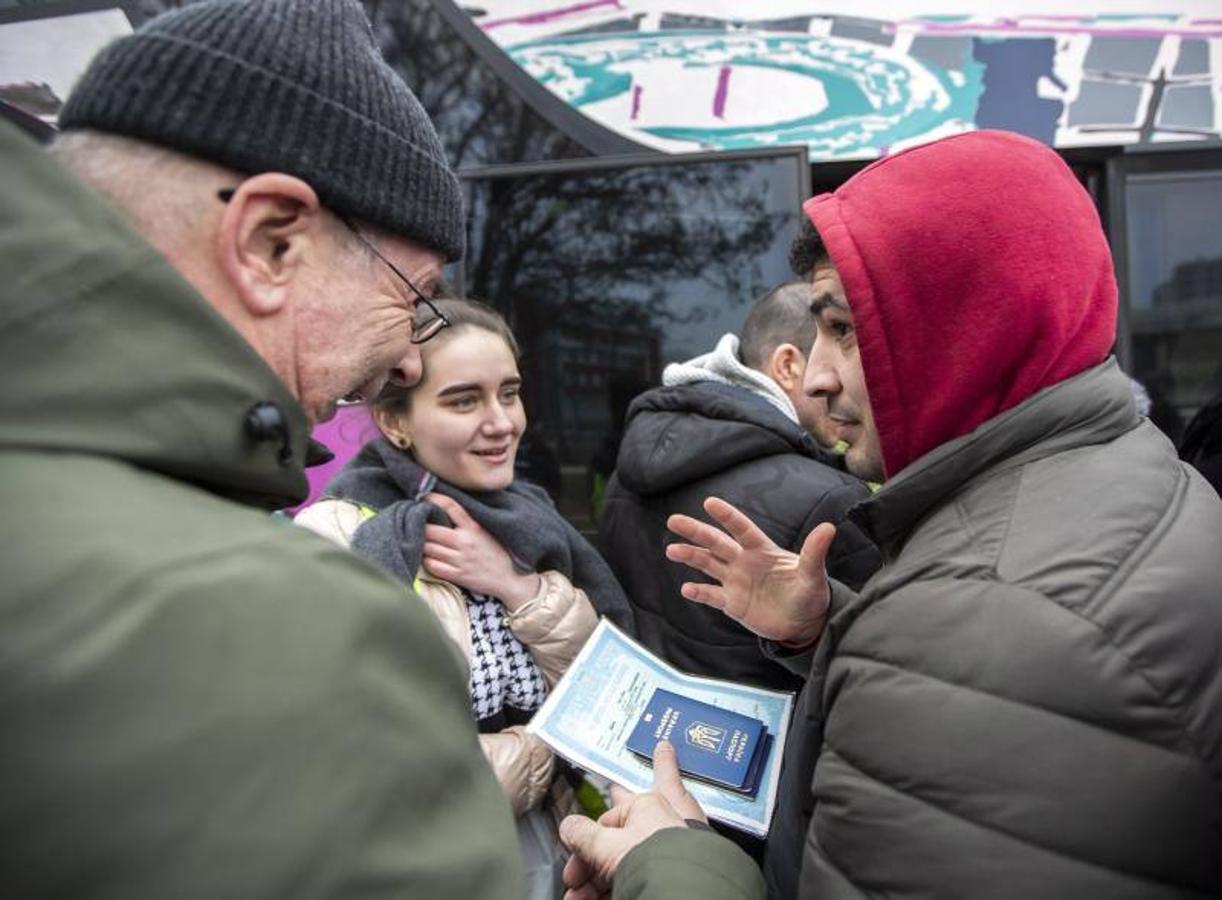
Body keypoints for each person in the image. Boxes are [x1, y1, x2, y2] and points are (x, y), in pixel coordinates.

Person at [559, 130, 1222, 899]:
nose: (815, 378)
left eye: (843, 329)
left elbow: (984, 654)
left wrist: (671, 859)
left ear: (970, 324)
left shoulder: (974, 620)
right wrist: (829, 629)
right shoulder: (1140, 468)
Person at [0, 1, 526, 896]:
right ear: (270, 240)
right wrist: (680, 871)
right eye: (415, 292)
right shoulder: (303, 631)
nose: (409, 354)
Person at [295, 299, 632, 897]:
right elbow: (362, 761)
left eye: (509, 392)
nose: (502, 422)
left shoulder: (532, 523)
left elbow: (608, 686)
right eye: (463, 400)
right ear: (396, 423)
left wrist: (517, 587)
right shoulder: (338, 536)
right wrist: (547, 747)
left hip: (555, 853)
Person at [600, 282, 880, 694]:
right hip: (767, 749)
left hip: (640, 725)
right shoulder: (832, 499)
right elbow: (873, 673)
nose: (835, 384)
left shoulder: (629, 461)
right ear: (787, 365)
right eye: (833, 351)